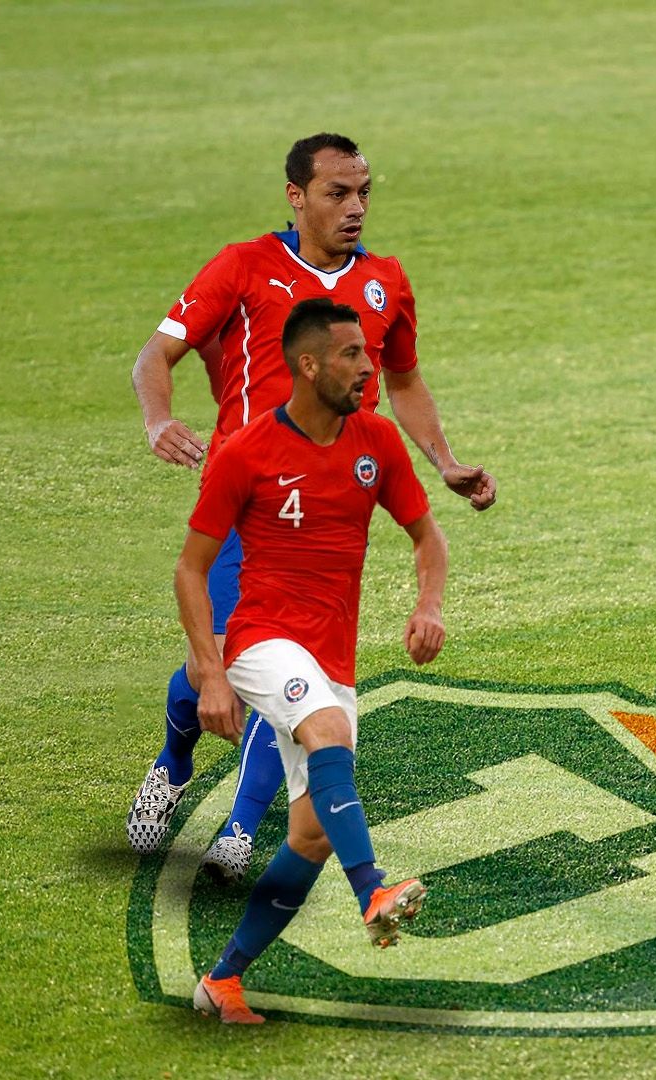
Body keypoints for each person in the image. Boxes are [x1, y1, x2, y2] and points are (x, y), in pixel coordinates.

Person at [125, 133, 494, 881]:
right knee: (217, 667)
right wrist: (159, 420)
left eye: (363, 193)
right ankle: (174, 761)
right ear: (296, 198)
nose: (355, 207)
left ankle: (235, 834)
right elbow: (153, 356)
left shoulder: (385, 283)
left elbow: (406, 382)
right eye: (337, 193)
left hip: (331, 514)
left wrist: (444, 461)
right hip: (244, 502)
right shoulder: (244, 266)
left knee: (294, 677)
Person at [180, 298, 445, 1024]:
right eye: (353, 354)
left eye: (368, 353)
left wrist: (428, 607)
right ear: (309, 364)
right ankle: (375, 892)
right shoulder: (248, 452)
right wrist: (208, 670)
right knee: (325, 727)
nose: (368, 366)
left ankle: (223, 981)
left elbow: (428, 538)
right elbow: (191, 569)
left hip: (333, 656)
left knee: (310, 834)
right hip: (261, 638)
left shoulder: (377, 444)